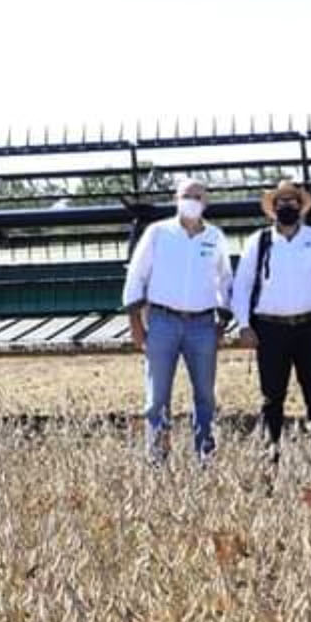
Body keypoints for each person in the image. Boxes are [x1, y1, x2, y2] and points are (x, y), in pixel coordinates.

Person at [122, 177, 233, 464]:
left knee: (205, 396)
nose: (192, 201)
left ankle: (205, 457)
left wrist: (223, 320)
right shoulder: (158, 233)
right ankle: (157, 458)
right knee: (157, 397)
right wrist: (135, 321)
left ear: (206, 202)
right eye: (187, 195)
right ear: (176, 199)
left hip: (202, 325)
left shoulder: (215, 238)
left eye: (198, 196)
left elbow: (225, 280)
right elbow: (137, 275)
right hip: (162, 322)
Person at [231, 180, 311, 448]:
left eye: (292, 201)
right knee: (272, 398)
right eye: (281, 202)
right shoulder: (258, 242)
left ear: (301, 206)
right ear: (273, 207)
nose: (287, 206)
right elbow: (242, 284)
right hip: (269, 329)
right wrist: (244, 324)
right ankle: (271, 454)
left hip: (309, 327)